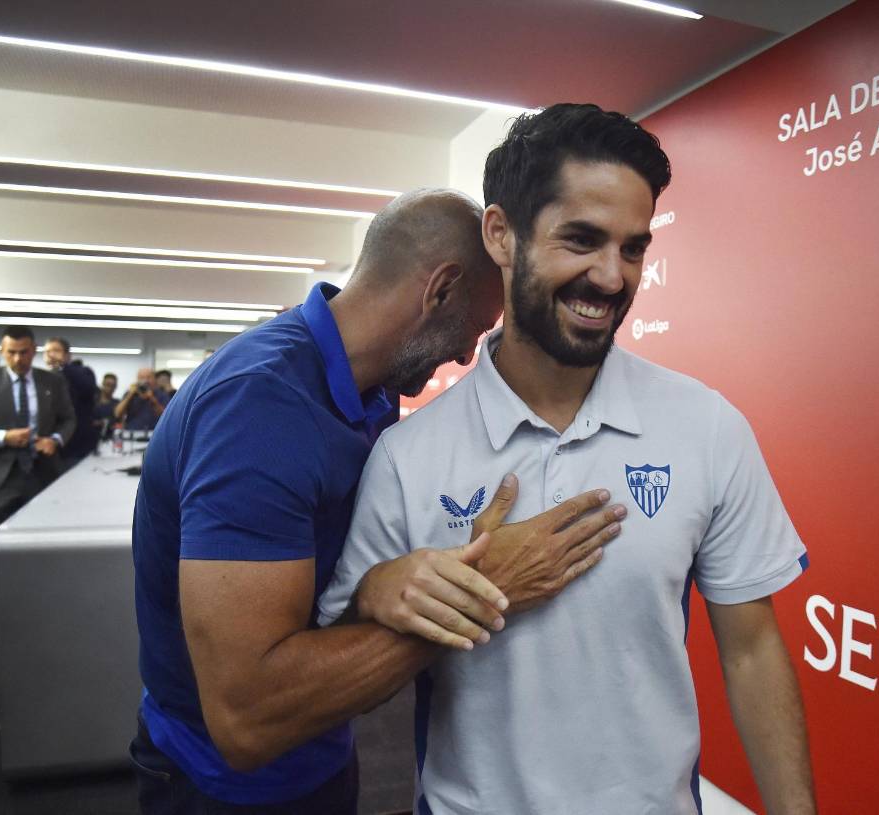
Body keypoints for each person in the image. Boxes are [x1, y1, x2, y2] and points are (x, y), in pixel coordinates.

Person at [318, 104, 816, 815]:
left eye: (634, 248)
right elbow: (345, 672)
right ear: (502, 235)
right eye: (581, 240)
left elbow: (752, 652)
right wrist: (384, 593)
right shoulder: (408, 456)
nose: (612, 278)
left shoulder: (706, 426)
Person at [130, 188, 624, 814]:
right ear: (440, 289)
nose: (467, 353)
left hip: (324, 746)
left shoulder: (375, 393)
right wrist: (483, 594)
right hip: (220, 784)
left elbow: (337, 585)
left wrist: (382, 587)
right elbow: (246, 719)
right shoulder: (258, 409)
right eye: (475, 328)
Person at [0, 325, 75, 539]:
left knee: (43, 541)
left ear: (34, 350)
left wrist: (55, 440)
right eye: (11, 352)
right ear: (2, 351)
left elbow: (68, 419)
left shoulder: (52, 381)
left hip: (42, 474)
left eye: (23, 352)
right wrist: (3, 437)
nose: (17, 359)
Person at [44, 337, 100, 464]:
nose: (51, 355)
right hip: (52, 443)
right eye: (47, 352)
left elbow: (88, 388)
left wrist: (63, 366)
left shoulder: (82, 372)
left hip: (77, 442)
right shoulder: (43, 377)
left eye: (56, 351)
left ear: (67, 355)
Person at [114, 368, 168, 432]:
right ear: (137, 379)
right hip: (132, 433)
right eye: (142, 378)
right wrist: (130, 395)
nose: (145, 381)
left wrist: (152, 399)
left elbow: (166, 417)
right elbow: (117, 413)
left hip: (154, 433)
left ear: (154, 379)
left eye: (148, 377)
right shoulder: (130, 393)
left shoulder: (161, 394)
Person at [95, 372, 120, 441]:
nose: (110, 388)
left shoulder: (117, 403)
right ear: (103, 384)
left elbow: (120, 422)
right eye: (108, 385)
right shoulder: (93, 402)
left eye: (113, 386)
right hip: (92, 438)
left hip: (110, 439)